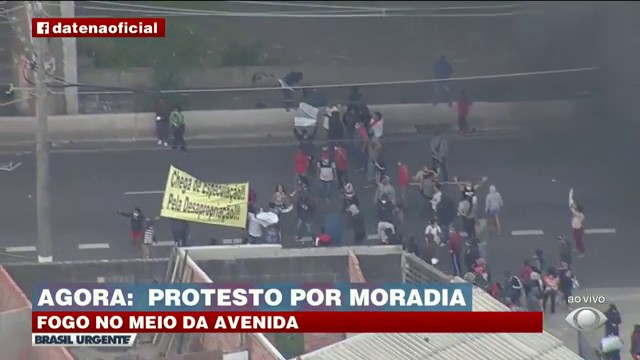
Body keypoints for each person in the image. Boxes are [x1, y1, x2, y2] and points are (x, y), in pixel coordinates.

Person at [569, 188, 586, 256]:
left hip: (578, 229)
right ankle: (577, 247)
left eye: (576, 209)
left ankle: (582, 251)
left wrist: (571, 202)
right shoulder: (577, 213)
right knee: (576, 239)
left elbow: (573, 210)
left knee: (579, 240)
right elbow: (573, 208)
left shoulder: (580, 215)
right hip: (575, 229)